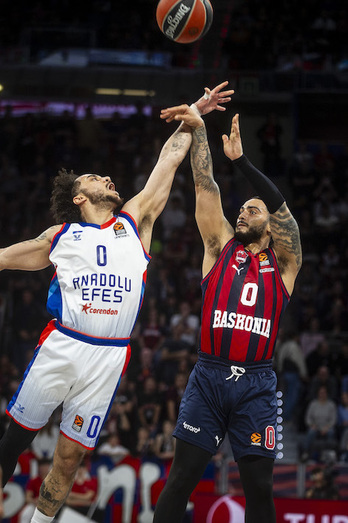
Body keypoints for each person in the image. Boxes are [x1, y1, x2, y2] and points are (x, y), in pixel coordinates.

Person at [0, 82, 234, 523]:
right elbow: (5, 258)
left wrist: (194, 115)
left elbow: (168, 161)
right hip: (64, 345)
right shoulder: (62, 237)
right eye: (94, 178)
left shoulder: (136, 220)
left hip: (109, 357)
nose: (108, 178)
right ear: (79, 197)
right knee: (13, 443)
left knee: (68, 462)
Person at [153, 101, 302, 523]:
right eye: (243, 209)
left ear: (270, 226)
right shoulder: (220, 247)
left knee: (259, 489)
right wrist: (200, 130)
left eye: (252, 210)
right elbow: (206, 187)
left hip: (257, 383)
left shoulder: (286, 263)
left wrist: (242, 162)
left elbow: (284, 210)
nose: (242, 212)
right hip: (209, 377)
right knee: (181, 478)